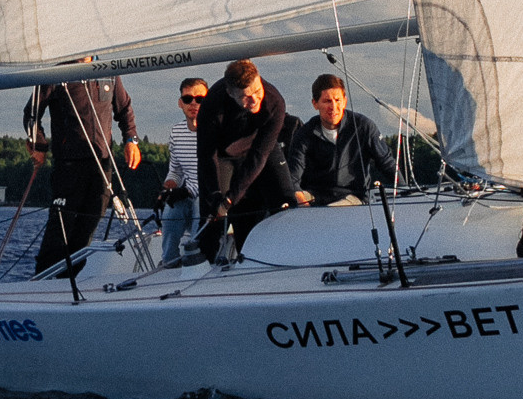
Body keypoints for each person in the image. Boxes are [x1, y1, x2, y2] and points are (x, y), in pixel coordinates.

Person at [195, 60, 306, 262]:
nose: (254, 100)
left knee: (284, 201)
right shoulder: (213, 104)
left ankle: (290, 257)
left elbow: (259, 156)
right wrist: (218, 195)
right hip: (223, 154)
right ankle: (205, 261)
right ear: (231, 94)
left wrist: (232, 198)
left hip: (260, 148)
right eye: (246, 97)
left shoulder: (274, 102)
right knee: (214, 211)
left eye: (257, 91)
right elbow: (205, 155)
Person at [30, 76, 140, 277]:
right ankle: (42, 279)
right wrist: (39, 144)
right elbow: (31, 112)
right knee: (61, 227)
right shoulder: (57, 75)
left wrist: (131, 140)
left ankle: (70, 279)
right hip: (68, 164)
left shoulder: (109, 73)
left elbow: (124, 109)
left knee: (89, 224)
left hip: (102, 163)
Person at [290, 74, 396, 203]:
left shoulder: (364, 127)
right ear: (315, 104)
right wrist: (301, 202)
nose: (333, 107)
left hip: (354, 196)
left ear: (345, 101)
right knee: (286, 202)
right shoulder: (304, 134)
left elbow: (387, 164)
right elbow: (292, 178)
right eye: (327, 101)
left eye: (337, 100)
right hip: (316, 195)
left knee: (331, 212)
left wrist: (407, 192)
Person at [157, 77, 205, 265]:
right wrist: (169, 187)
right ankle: (169, 261)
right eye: (188, 99)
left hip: (208, 195)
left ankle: (196, 257)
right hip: (187, 193)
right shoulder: (176, 132)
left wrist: (186, 190)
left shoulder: (214, 131)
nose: (193, 103)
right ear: (180, 103)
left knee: (199, 208)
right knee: (170, 212)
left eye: (200, 99)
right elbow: (176, 171)